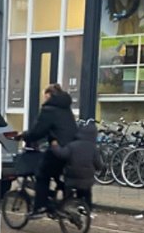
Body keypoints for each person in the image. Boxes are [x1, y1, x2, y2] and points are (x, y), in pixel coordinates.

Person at [22, 83, 78, 217]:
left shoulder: (49, 109)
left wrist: (25, 136)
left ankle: (40, 207)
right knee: (55, 172)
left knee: (42, 174)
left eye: (45, 96)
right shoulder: (65, 108)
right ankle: (64, 195)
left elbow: (38, 130)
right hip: (74, 148)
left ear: (50, 95)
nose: (44, 99)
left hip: (59, 148)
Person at [52, 120, 101, 216]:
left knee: (68, 191)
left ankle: (65, 207)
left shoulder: (72, 145)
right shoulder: (93, 148)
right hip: (87, 179)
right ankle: (88, 209)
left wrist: (55, 146)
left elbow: (62, 154)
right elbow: (98, 164)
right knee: (86, 191)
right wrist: (100, 169)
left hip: (72, 177)